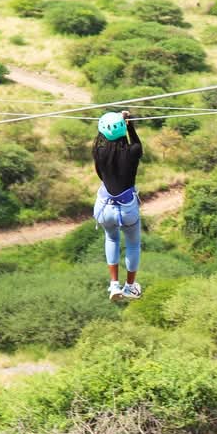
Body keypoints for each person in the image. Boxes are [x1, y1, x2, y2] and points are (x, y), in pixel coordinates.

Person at [93, 109, 143, 301]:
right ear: (124, 130)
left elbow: (101, 138)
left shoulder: (98, 152)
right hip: (127, 209)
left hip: (105, 207)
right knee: (133, 244)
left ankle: (114, 285)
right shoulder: (133, 152)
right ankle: (130, 287)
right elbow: (136, 142)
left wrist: (113, 122)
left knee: (111, 239)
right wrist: (129, 123)